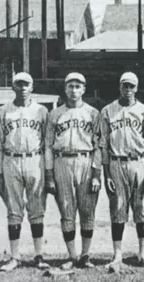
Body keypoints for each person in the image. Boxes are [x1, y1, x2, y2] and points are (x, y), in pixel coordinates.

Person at [99, 72, 144, 272]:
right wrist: (106, 174)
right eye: (125, 86)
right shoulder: (108, 111)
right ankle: (117, 255)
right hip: (116, 162)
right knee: (118, 209)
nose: (128, 89)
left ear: (137, 88)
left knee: (141, 209)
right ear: (119, 87)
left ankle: (143, 254)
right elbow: (104, 145)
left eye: (131, 86)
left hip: (139, 162)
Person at [44, 72, 101, 269]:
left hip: (85, 160)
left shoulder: (93, 113)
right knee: (67, 211)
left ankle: (85, 255)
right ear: (65, 88)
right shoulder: (55, 114)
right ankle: (72, 256)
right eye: (70, 86)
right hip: (62, 162)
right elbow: (48, 147)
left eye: (78, 86)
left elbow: (98, 146)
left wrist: (96, 173)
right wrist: (49, 174)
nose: (74, 90)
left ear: (84, 89)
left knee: (87, 211)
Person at [0, 72, 50, 271]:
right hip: (11, 159)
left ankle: (38, 255)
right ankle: (15, 256)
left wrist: (48, 170)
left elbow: (48, 143)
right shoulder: (2, 111)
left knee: (37, 209)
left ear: (32, 87)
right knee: (14, 211)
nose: (23, 88)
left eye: (26, 84)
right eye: (19, 84)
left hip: (35, 159)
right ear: (13, 87)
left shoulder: (42, 111)